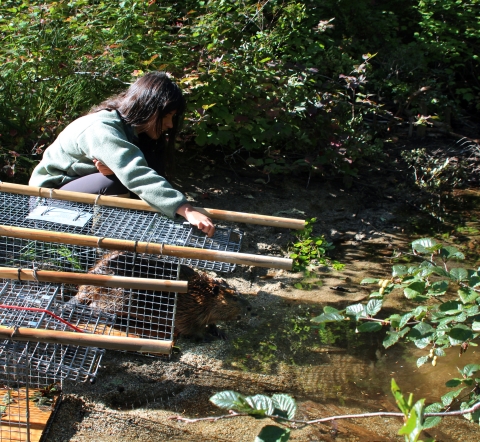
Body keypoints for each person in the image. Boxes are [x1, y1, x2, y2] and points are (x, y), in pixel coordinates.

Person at [29, 72, 215, 237]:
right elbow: (135, 174)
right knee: (113, 182)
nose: (170, 125)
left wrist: (114, 171)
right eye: (167, 116)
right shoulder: (101, 128)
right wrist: (186, 209)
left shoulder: (133, 133)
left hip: (74, 195)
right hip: (46, 203)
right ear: (148, 108)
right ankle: (109, 242)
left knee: (117, 179)